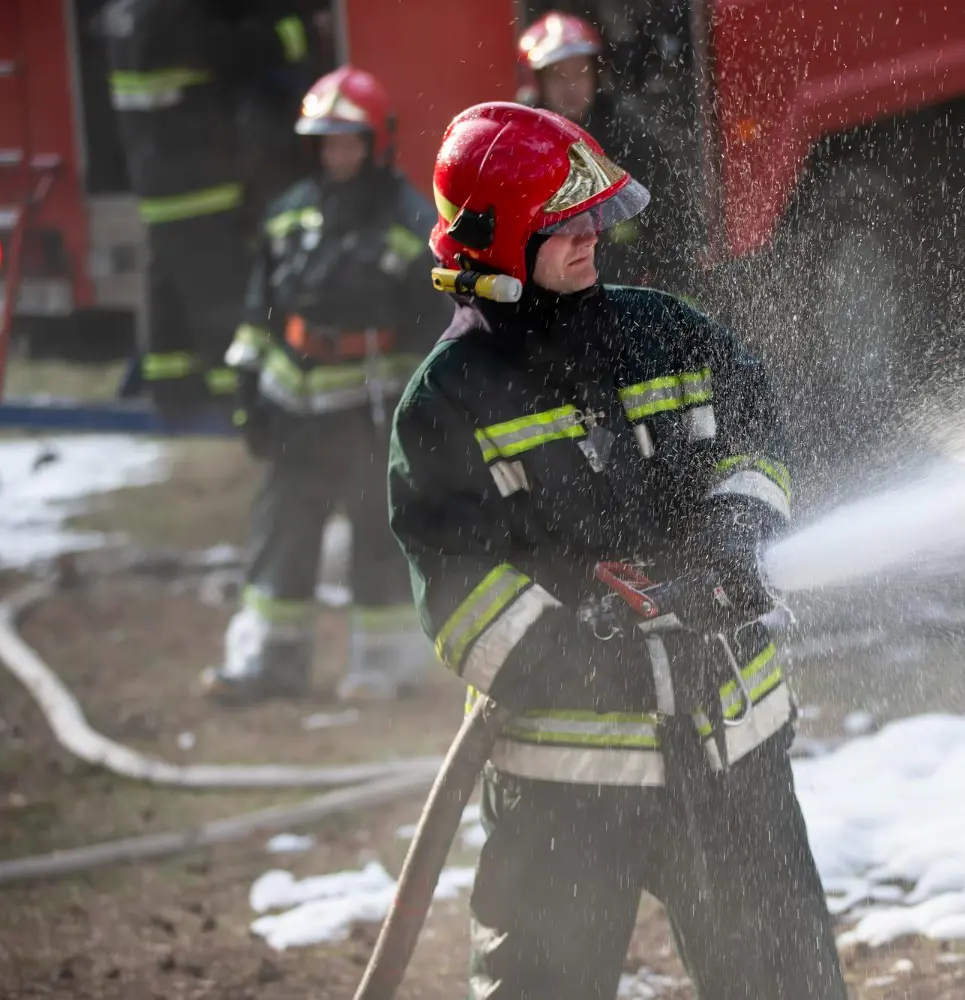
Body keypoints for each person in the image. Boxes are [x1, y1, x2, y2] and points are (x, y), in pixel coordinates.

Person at [387, 102, 847, 999]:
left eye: (593, 215)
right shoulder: (447, 403)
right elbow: (455, 586)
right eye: (563, 226)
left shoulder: (665, 333)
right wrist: (576, 657)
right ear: (500, 249)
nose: (592, 235)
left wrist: (734, 532)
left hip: (728, 752)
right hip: (571, 778)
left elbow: (754, 440)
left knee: (784, 984)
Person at [202, 66, 448, 705]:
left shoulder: (410, 224)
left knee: (376, 538)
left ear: (376, 143)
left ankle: (386, 667)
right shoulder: (288, 217)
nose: (338, 155)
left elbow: (433, 338)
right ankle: (266, 662)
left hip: (370, 417)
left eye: (350, 142)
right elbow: (260, 314)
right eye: (327, 142)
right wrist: (248, 392)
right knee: (280, 533)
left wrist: (422, 421)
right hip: (295, 416)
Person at [99, 0, 324, 423]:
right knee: (221, 299)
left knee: (169, 292)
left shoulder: (127, 14)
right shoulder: (176, 17)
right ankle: (234, 401)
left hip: (157, 183)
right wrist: (296, 32)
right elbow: (241, 54)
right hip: (199, 183)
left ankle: (172, 391)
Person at [516, 10, 693, 292]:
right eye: (558, 77)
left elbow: (669, 210)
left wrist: (662, 282)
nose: (571, 87)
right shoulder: (522, 140)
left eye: (580, 73)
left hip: (623, 283)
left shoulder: (627, 131)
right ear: (538, 84)